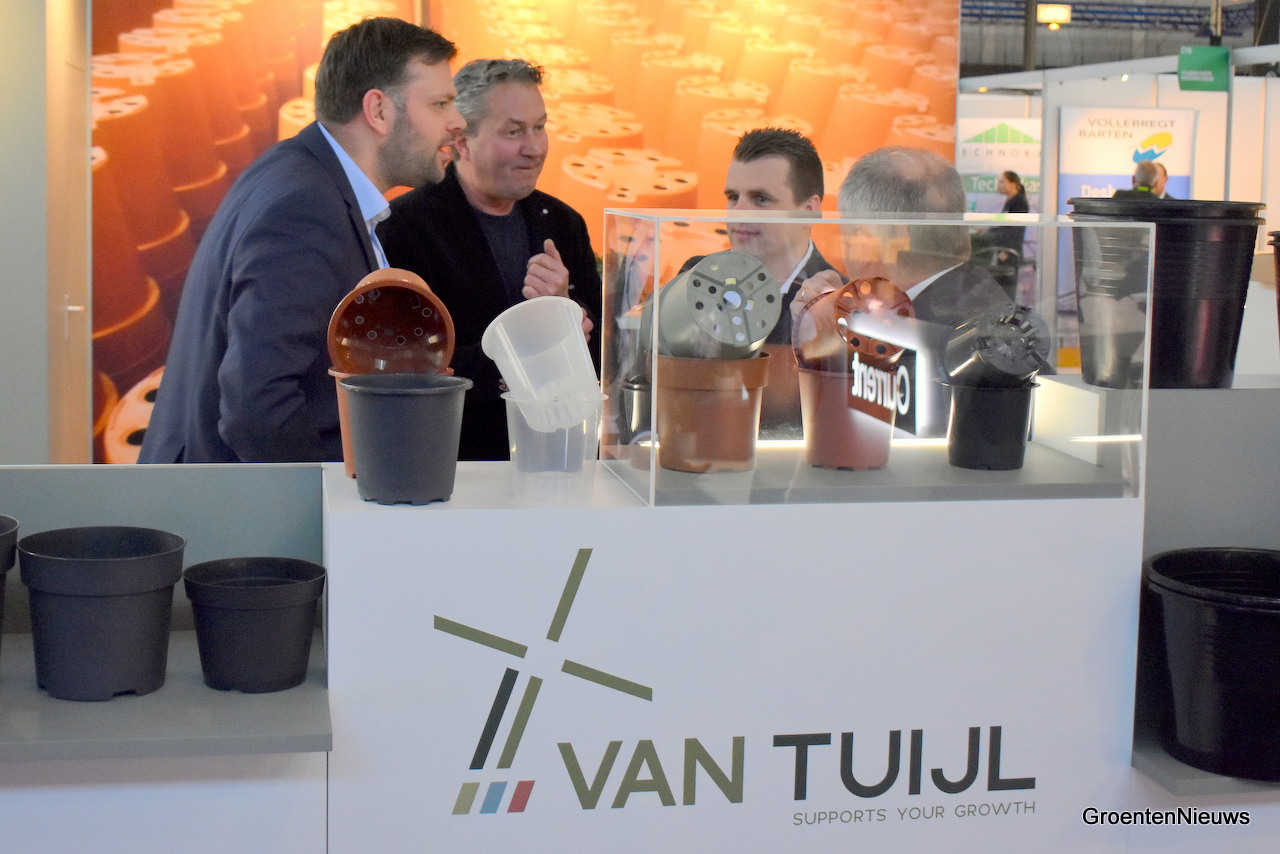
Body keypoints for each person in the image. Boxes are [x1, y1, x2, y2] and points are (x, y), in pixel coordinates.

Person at [140, 18, 464, 463]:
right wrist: (332, 497)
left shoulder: (295, 173)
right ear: (379, 111)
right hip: (243, 500)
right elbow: (257, 410)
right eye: (440, 104)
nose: (457, 122)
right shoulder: (306, 208)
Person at [378, 58, 602, 462]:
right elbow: (410, 368)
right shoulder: (406, 227)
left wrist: (569, 314)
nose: (534, 148)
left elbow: (604, 353)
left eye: (539, 127)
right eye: (514, 132)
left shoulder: (564, 222)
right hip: (454, 463)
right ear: (462, 141)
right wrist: (533, 342)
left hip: (560, 459)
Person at [794, 146, 1012, 436]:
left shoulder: (916, 340)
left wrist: (820, 336)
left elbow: (837, 435)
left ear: (868, 241)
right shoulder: (975, 298)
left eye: (847, 234)